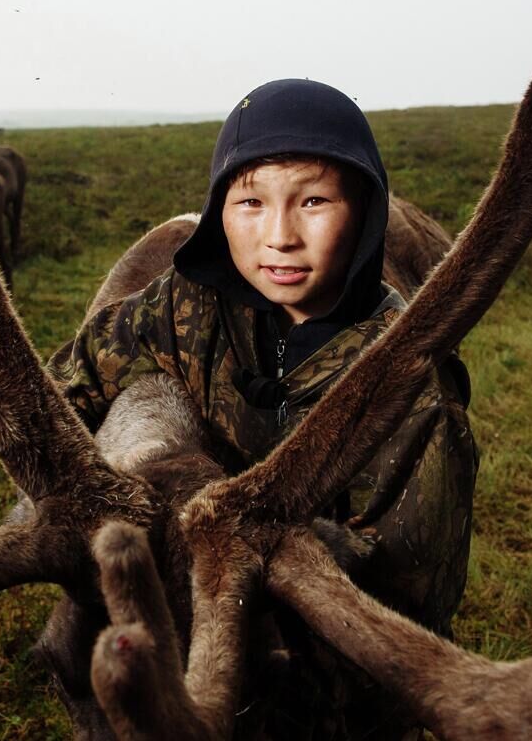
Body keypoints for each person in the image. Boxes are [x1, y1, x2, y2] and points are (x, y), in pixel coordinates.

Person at [48, 78, 478, 733]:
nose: (279, 237)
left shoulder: (413, 402)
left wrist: (269, 558)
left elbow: (408, 614)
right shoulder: (185, 304)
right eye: (249, 202)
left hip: (319, 675)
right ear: (220, 209)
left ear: (364, 211)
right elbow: (66, 384)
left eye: (312, 201)